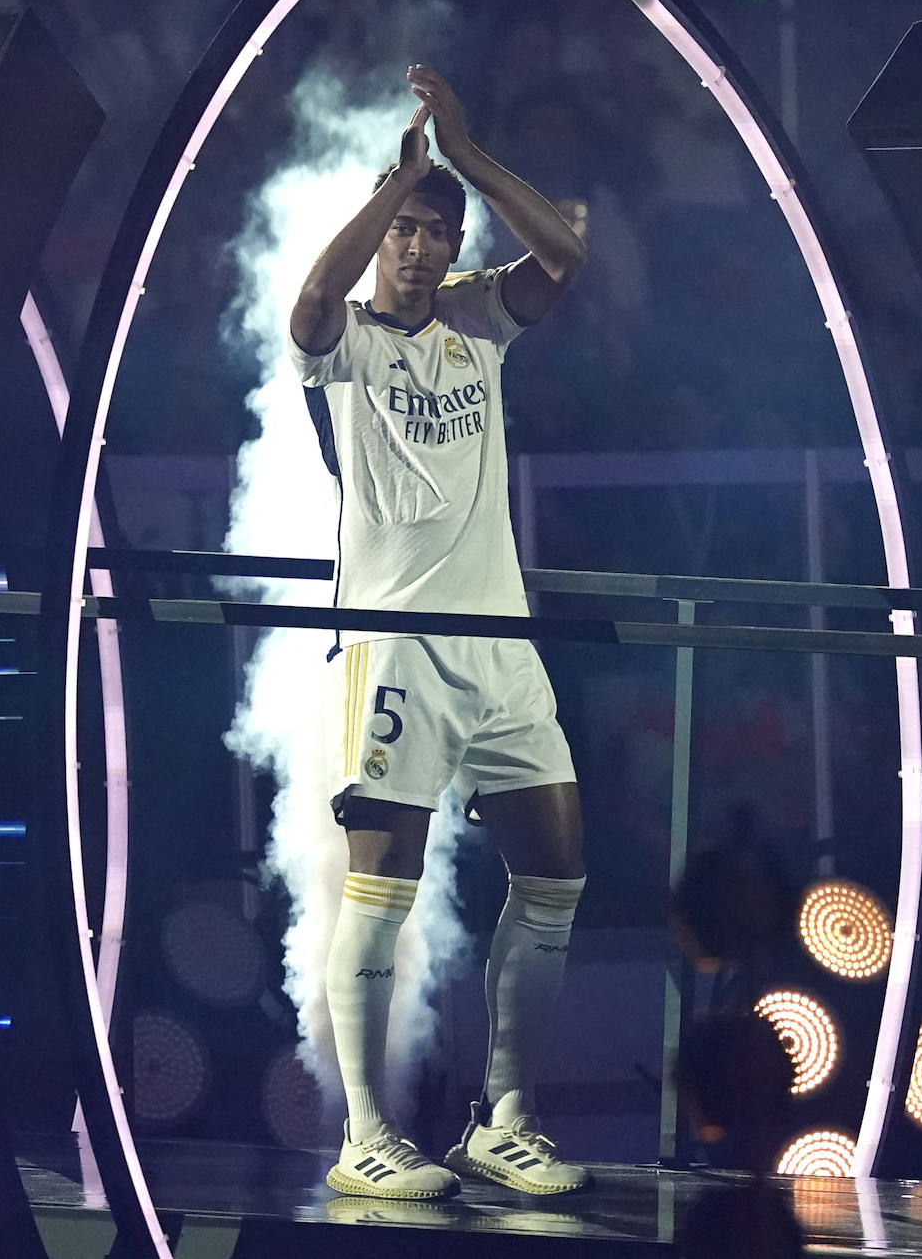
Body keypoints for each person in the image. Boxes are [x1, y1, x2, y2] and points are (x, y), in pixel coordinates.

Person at [288, 65, 588, 1200]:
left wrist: (465, 155)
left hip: (499, 642)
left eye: (436, 230)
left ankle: (500, 1118)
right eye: (405, 229)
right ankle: (366, 1134)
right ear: (379, 235)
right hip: (394, 640)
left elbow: (564, 258)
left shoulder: (477, 321)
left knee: (556, 874)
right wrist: (397, 184)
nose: (419, 246)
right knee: (384, 890)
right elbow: (307, 308)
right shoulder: (347, 345)